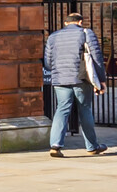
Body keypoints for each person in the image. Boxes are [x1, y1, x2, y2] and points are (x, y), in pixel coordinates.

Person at [43, 9, 106, 156]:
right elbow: (96, 58)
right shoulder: (85, 33)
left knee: (62, 109)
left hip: (60, 79)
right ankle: (92, 146)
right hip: (81, 77)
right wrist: (101, 80)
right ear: (80, 22)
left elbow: (47, 63)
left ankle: (55, 145)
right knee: (85, 110)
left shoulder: (53, 37)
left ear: (65, 23)